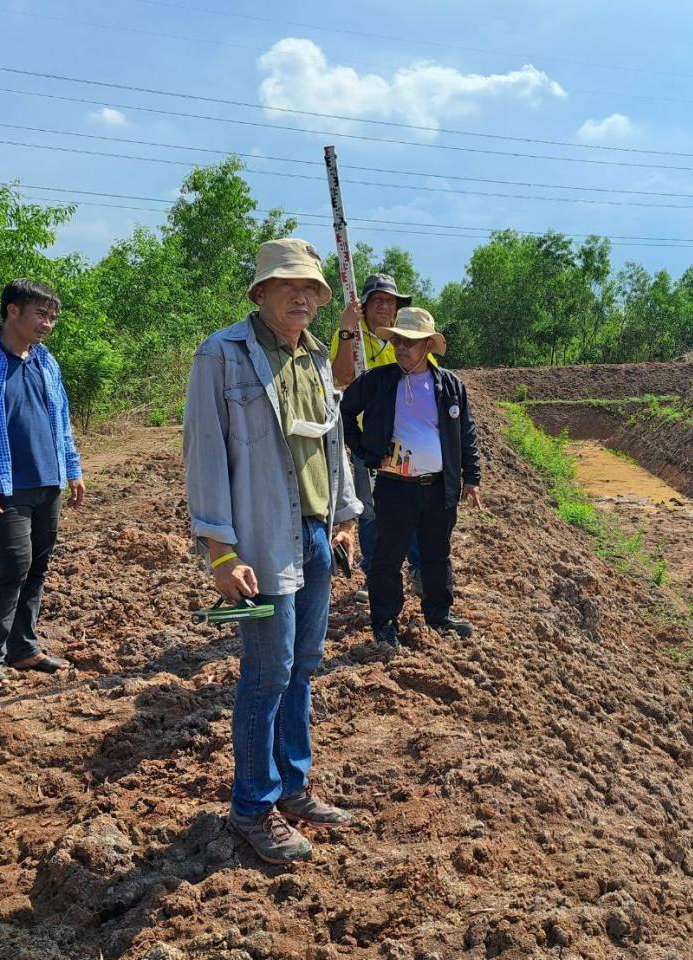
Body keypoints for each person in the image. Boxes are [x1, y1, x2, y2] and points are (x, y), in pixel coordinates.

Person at [183, 237, 362, 865]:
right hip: (259, 544)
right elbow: (204, 455)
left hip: (314, 537)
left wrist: (343, 520)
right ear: (260, 293)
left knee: (303, 667)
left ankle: (293, 786)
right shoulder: (222, 355)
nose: (303, 297)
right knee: (265, 676)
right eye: (290, 286)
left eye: (312, 288)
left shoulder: (314, 359)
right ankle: (251, 809)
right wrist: (220, 554)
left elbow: (331, 447)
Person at [0, 279, 86, 698]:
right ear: (13, 312)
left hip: (48, 480)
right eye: (41, 314)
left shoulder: (45, 360)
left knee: (37, 567)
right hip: (6, 484)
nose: (49, 324)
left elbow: (60, 420)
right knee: (11, 567)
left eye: (53, 317)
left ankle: (23, 648)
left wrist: (72, 468)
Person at [340, 307, 481, 647]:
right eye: (399, 340)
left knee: (436, 554)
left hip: (437, 489)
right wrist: (363, 451)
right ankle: (385, 623)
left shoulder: (449, 385)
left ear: (428, 346)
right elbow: (343, 411)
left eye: (411, 342)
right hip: (394, 488)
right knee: (387, 559)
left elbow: (466, 433)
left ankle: (439, 614)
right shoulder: (378, 381)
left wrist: (472, 478)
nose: (402, 347)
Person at [329, 273, 424, 602]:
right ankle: (375, 576)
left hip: (407, 441)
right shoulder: (351, 339)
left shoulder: (405, 340)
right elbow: (339, 378)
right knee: (368, 510)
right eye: (378, 301)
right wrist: (345, 328)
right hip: (368, 441)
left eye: (391, 301)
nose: (385, 306)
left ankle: (418, 570)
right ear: (364, 306)